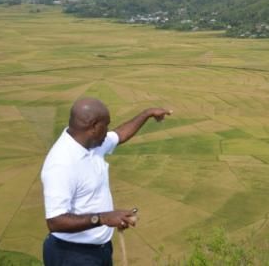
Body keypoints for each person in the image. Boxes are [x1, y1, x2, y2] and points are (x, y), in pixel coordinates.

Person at [41, 97, 172, 265]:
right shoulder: (61, 163)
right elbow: (55, 221)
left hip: (99, 250)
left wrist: (147, 114)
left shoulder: (90, 143)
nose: (108, 130)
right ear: (94, 126)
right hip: (71, 255)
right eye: (106, 125)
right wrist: (102, 219)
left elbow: (120, 134)